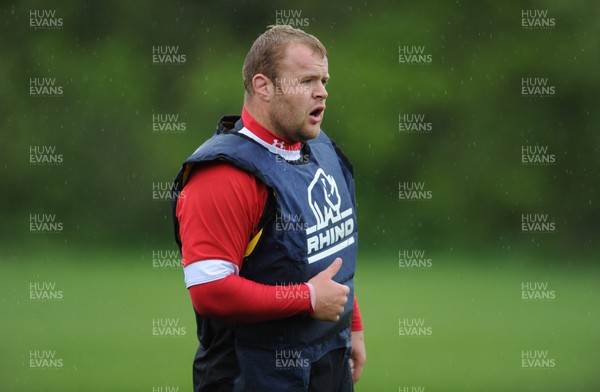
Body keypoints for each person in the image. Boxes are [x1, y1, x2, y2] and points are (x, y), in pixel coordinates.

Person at [171, 24, 366, 392]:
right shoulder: (222, 176)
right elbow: (209, 289)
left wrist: (351, 324)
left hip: (329, 361)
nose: (322, 92)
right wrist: (306, 299)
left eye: (324, 80)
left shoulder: (322, 151)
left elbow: (329, 252)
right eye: (307, 80)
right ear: (263, 86)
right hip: (252, 375)